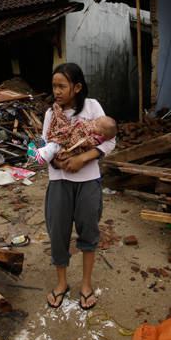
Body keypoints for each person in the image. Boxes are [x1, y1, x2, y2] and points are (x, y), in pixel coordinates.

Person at [43, 63, 115, 310]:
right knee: (58, 233)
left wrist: (82, 158)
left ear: (77, 87)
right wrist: (57, 159)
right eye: (54, 86)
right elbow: (46, 145)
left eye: (62, 86)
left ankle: (85, 284)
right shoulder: (51, 114)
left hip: (88, 182)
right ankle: (62, 283)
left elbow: (109, 140)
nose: (57, 91)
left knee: (88, 231)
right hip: (59, 182)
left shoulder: (92, 107)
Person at [29, 102, 117, 164]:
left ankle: (40, 157)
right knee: (52, 145)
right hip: (65, 143)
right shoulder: (49, 112)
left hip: (67, 145)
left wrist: (81, 126)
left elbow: (81, 140)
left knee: (53, 146)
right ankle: (41, 154)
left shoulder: (94, 139)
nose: (93, 122)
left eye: (96, 123)